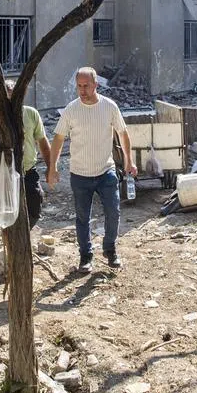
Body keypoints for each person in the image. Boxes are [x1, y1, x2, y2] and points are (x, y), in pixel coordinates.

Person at [46, 67, 136, 273]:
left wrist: (129, 161)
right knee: (82, 218)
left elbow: (123, 133)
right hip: (80, 174)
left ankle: (110, 250)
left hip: (106, 171)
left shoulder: (109, 107)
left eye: (86, 86)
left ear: (96, 85)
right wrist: (53, 167)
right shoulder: (71, 110)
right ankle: (85, 257)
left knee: (113, 212)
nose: (82, 90)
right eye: (79, 86)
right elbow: (58, 139)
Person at [0, 79, 52, 228]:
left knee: (35, 208)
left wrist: (51, 167)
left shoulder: (31, 114)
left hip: (28, 171)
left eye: (14, 98)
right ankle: (14, 246)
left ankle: (24, 238)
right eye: (7, 99)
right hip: (4, 175)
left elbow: (42, 141)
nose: (10, 104)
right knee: (9, 215)